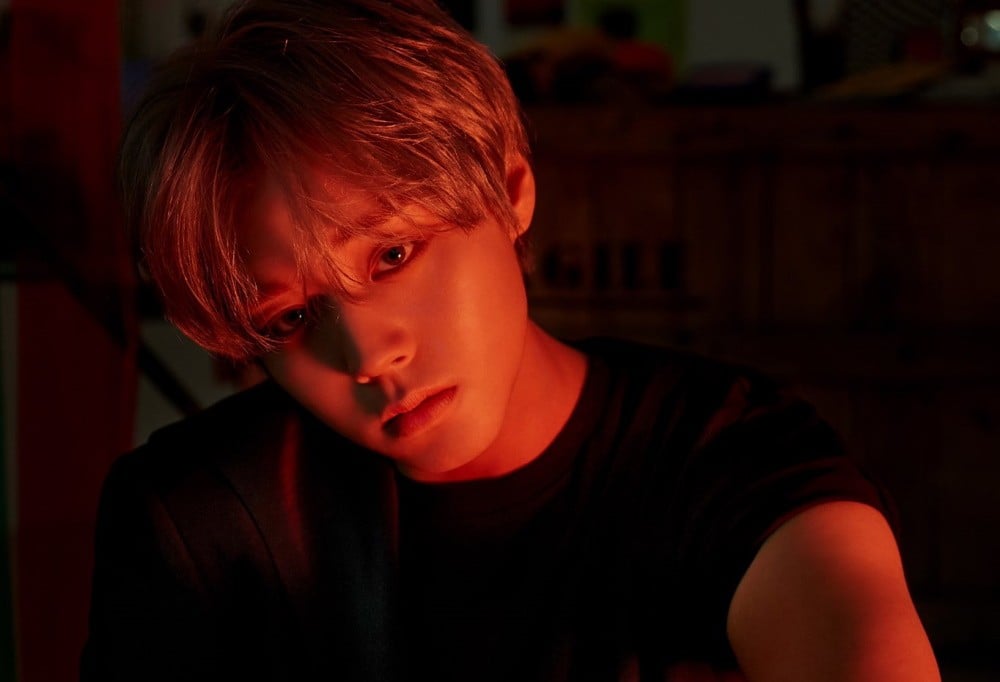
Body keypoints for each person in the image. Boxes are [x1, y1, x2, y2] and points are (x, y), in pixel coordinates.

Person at [81, 1, 940, 680]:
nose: (370, 355)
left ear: (510, 190)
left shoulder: (734, 463)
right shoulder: (198, 517)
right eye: (290, 318)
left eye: (392, 255)